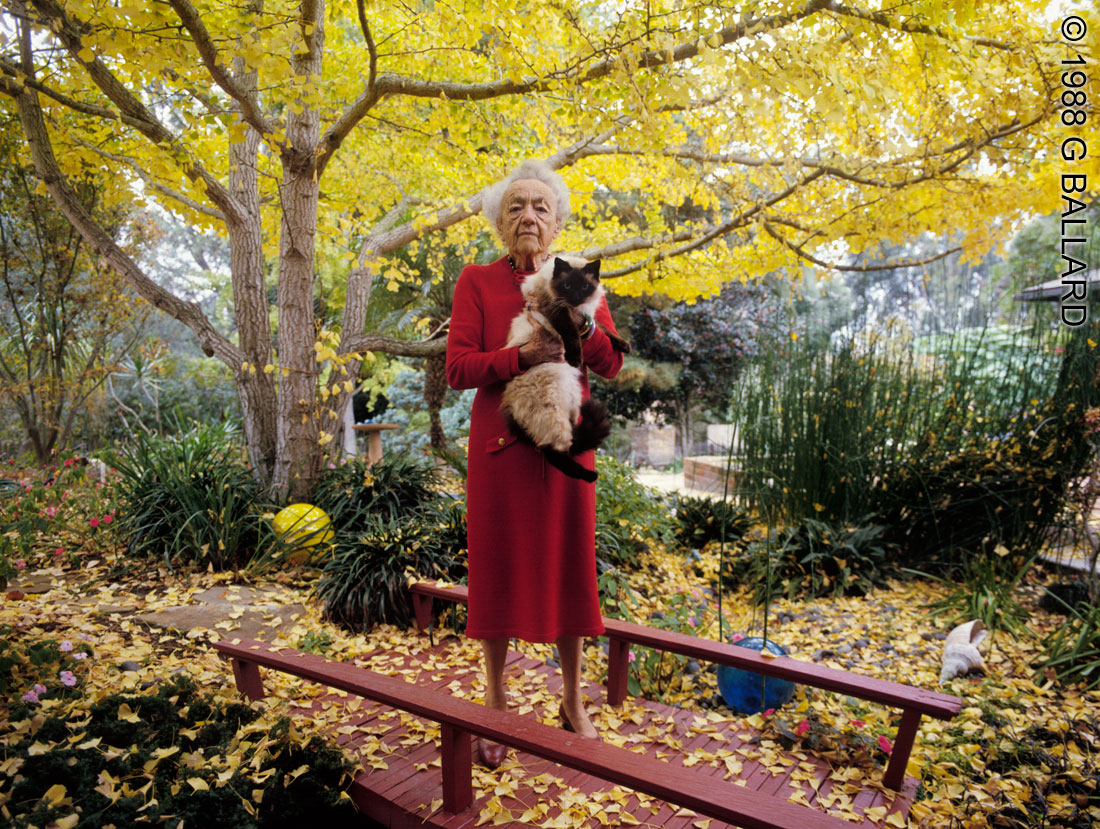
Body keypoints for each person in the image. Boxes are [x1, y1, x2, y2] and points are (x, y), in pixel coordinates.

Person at [445, 160, 625, 768]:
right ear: (501, 221)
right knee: (495, 567)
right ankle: (495, 699)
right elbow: (458, 369)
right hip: (501, 449)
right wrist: (516, 357)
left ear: (556, 222)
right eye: (517, 206)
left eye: (541, 207)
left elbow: (610, 365)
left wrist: (582, 323)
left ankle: (573, 698)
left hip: (567, 443)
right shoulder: (476, 280)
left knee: (571, 564)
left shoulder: (577, 279)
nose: (529, 215)